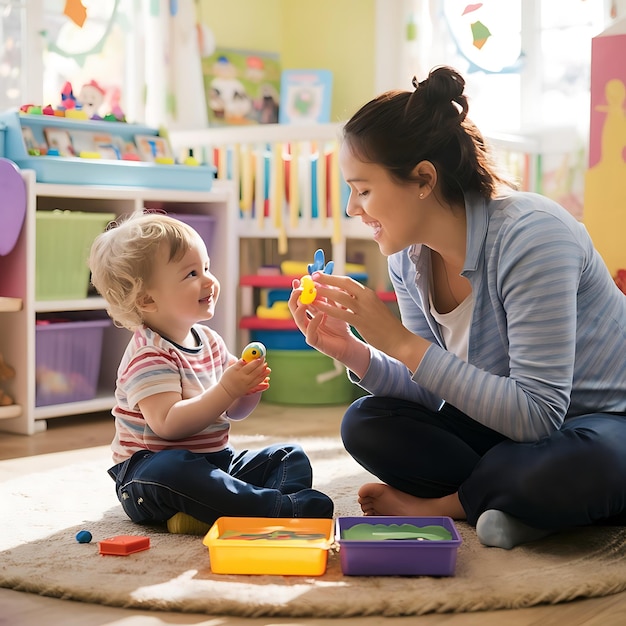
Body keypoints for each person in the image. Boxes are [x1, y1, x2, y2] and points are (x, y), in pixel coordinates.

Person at [288, 66, 626, 549]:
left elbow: (538, 415)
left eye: (363, 190)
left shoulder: (532, 236)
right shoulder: (409, 259)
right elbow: (434, 385)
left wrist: (398, 341)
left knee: (583, 464)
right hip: (511, 432)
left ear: (424, 178)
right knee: (366, 423)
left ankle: (452, 505)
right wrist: (355, 352)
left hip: (599, 424)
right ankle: (521, 504)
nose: (352, 209)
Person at [89, 213, 333, 535]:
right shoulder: (148, 354)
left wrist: (247, 389)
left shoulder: (210, 341)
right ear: (147, 299)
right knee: (173, 468)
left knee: (289, 456)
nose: (208, 280)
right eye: (191, 273)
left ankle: (228, 508)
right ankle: (276, 509)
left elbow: (234, 411)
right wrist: (227, 389)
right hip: (148, 478)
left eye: (206, 267)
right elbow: (168, 426)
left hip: (215, 463)